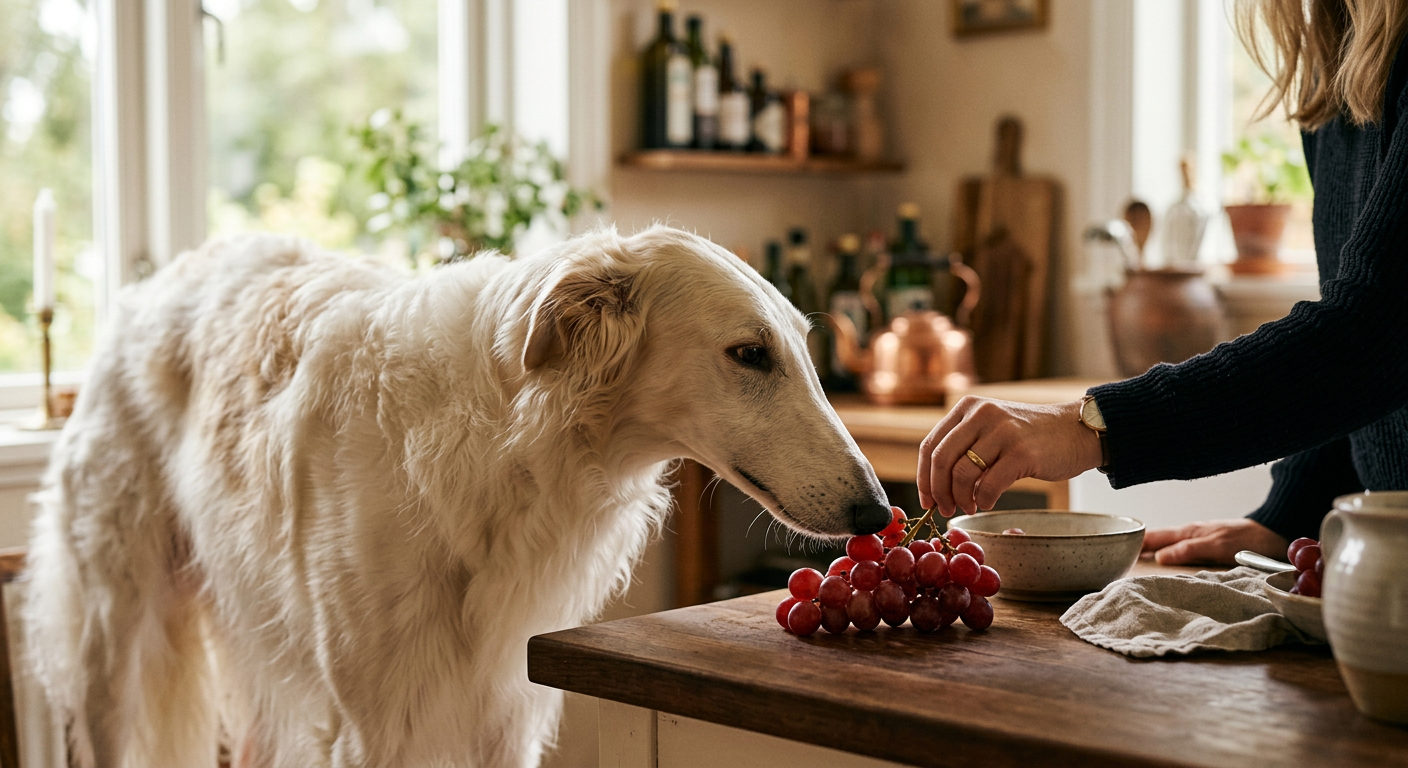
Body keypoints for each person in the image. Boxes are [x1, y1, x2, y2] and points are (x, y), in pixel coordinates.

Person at [916, 0, 1408, 565]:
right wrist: (1287, 519)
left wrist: (1091, 426)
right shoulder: (1339, 65)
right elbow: (1360, 379)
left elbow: (1378, 333)